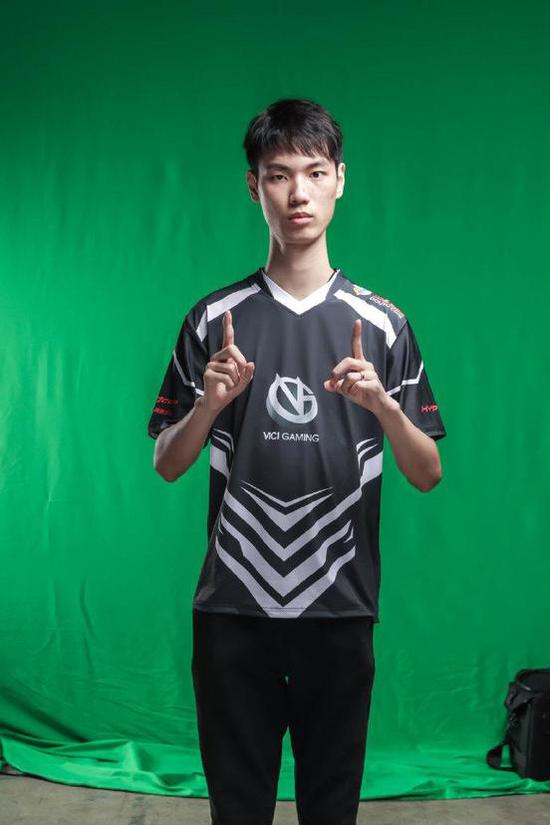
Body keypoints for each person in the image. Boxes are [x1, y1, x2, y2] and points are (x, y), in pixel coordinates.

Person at [147, 97, 447, 825]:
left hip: (339, 605)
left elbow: (427, 471)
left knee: (330, 810)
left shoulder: (383, 324)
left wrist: (385, 407)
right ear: (254, 186)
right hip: (233, 605)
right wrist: (209, 404)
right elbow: (167, 462)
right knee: (238, 810)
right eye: (279, 175)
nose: (298, 193)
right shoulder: (213, 319)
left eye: (315, 172)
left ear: (341, 179)